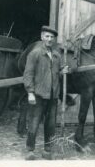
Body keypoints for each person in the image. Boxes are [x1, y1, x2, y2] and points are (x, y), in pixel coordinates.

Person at [23, 25, 68, 160]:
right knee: (34, 122)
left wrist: (62, 72)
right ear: (42, 37)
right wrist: (30, 92)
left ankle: (47, 150)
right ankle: (30, 150)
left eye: (52, 37)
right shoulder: (35, 53)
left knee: (50, 124)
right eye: (47, 36)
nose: (49, 39)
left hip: (53, 96)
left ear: (54, 39)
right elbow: (28, 74)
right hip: (38, 94)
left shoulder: (56, 55)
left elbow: (56, 73)